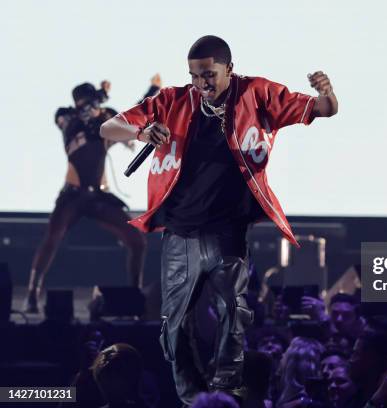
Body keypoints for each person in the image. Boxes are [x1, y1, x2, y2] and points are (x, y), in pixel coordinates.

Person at [100, 35, 338, 404]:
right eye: (195, 76)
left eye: (209, 75)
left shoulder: (257, 94)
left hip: (228, 232)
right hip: (179, 233)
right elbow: (108, 127)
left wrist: (327, 93)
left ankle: (226, 394)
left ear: (229, 68)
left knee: (234, 315)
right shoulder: (173, 100)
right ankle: (192, 398)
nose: (201, 84)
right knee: (175, 326)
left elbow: (322, 109)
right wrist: (142, 131)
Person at [24, 77, 160, 313]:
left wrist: (151, 92)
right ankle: (33, 292)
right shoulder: (67, 117)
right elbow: (86, 118)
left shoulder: (103, 119)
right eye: (85, 102)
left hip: (98, 197)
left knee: (136, 240)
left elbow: (129, 122)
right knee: (52, 236)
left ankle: (133, 295)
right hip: (72, 195)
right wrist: (99, 98)